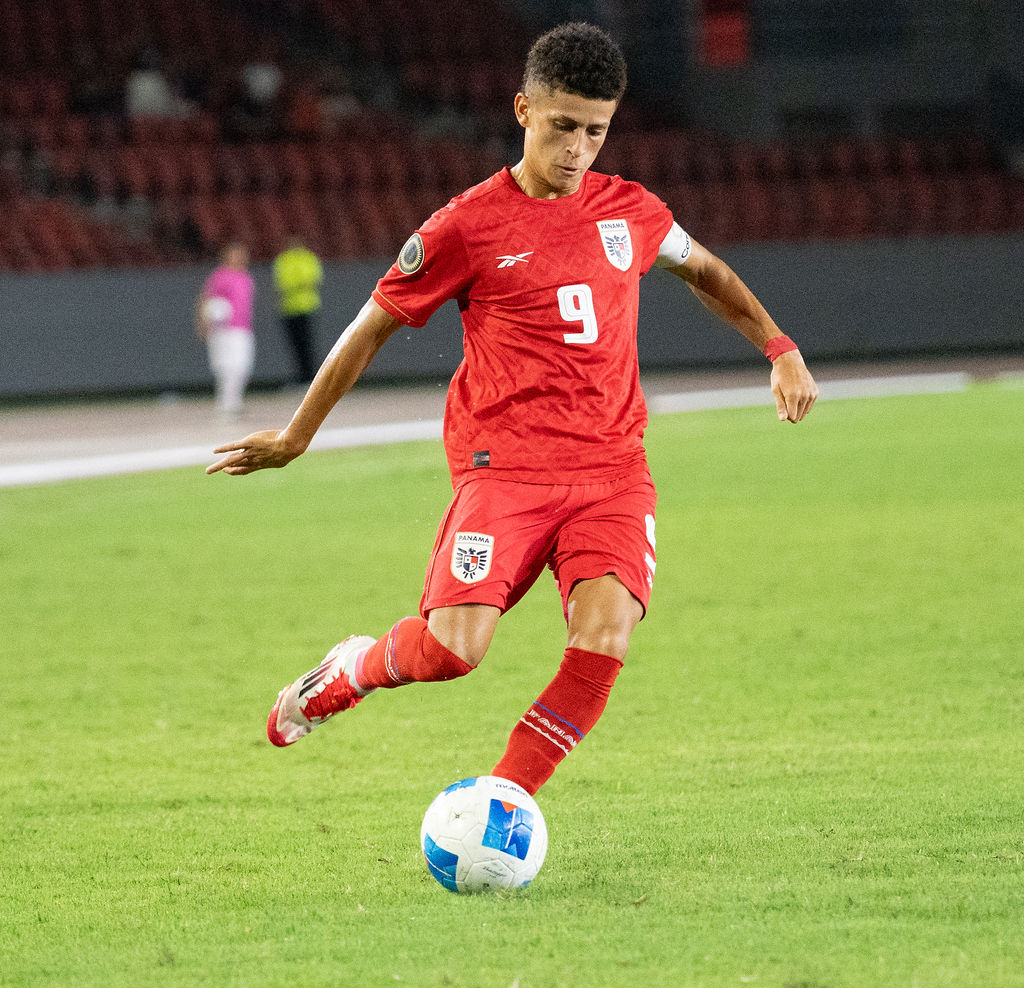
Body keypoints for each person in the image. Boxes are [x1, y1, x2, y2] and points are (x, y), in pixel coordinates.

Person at [206, 23, 818, 796]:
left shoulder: (631, 211)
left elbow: (708, 272)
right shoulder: (466, 226)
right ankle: (353, 666)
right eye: (563, 126)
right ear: (524, 110)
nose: (578, 148)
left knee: (606, 636)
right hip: (507, 471)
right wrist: (297, 435)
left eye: (596, 131)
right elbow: (370, 329)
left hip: (612, 472)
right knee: (454, 650)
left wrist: (779, 346)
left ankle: (503, 801)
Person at [197, 242, 256, 419]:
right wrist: (204, 324)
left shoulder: (246, 277)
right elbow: (206, 300)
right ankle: (227, 405)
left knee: (243, 366)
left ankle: (233, 402)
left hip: (243, 328)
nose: (240, 257)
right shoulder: (220, 276)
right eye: (235, 254)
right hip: (223, 331)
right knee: (227, 367)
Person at [272, 237, 324, 384]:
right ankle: (301, 377)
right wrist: (297, 285)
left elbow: (311, 280)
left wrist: (294, 286)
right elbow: (283, 283)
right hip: (288, 309)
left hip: (306, 307)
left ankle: (312, 377)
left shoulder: (308, 258)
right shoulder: (283, 260)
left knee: (307, 344)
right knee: (295, 346)